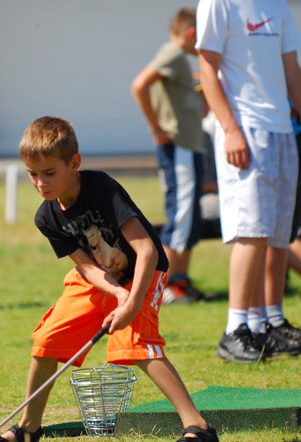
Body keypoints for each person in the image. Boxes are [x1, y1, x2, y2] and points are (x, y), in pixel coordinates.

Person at [0, 116, 225, 442]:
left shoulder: (101, 188)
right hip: (97, 278)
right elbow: (88, 267)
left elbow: (147, 250)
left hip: (143, 271)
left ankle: (199, 428)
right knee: (47, 340)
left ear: (74, 163)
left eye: (49, 173)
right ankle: (28, 432)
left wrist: (132, 301)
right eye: (32, 174)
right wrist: (117, 293)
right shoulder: (46, 217)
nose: (40, 183)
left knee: (135, 344)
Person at [196, 0, 301, 363]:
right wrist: (230, 129)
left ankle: (266, 323)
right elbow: (207, 69)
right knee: (251, 231)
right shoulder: (219, 3)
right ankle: (235, 329)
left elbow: (292, 72)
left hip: (282, 127)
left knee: (278, 234)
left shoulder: (277, 4)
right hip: (245, 128)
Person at [130, 8, 209, 304]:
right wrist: (156, 128)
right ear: (191, 32)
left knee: (189, 218)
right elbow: (139, 85)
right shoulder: (173, 54)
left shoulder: (180, 60)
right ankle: (163, 287)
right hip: (179, 150)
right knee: (181, 215)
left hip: (188, 148)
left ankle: (179, 281)